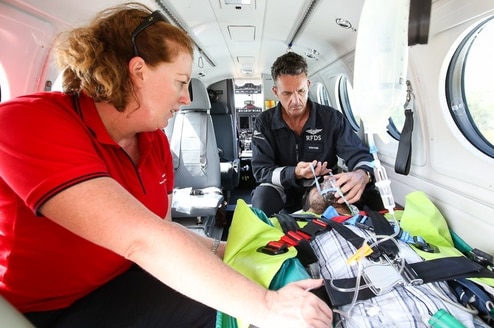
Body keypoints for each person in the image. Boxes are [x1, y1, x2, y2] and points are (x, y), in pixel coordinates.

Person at [0, 3, 333, 328]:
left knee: (242, 279)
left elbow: (164, 228)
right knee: (229, 309)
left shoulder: (153, 140)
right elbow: (141, 239)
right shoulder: (29, 122)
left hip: (126, 276)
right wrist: (268, 308)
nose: (186, 98)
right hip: (49, 309)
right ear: (138, 72)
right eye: (180, 82)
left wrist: (242, 250)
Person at [251, 51, 375, 217]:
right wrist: (295, 172)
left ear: (308, 85)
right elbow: (261, 171)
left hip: (319, 186)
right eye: (287, 93)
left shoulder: (331, 118)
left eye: (301, 91)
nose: (296, 101)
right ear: (275, 91)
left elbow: (359, 154)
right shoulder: (264, 122)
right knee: (261, 199)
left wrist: (362, 174)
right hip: (282, 188)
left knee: (346, 199)